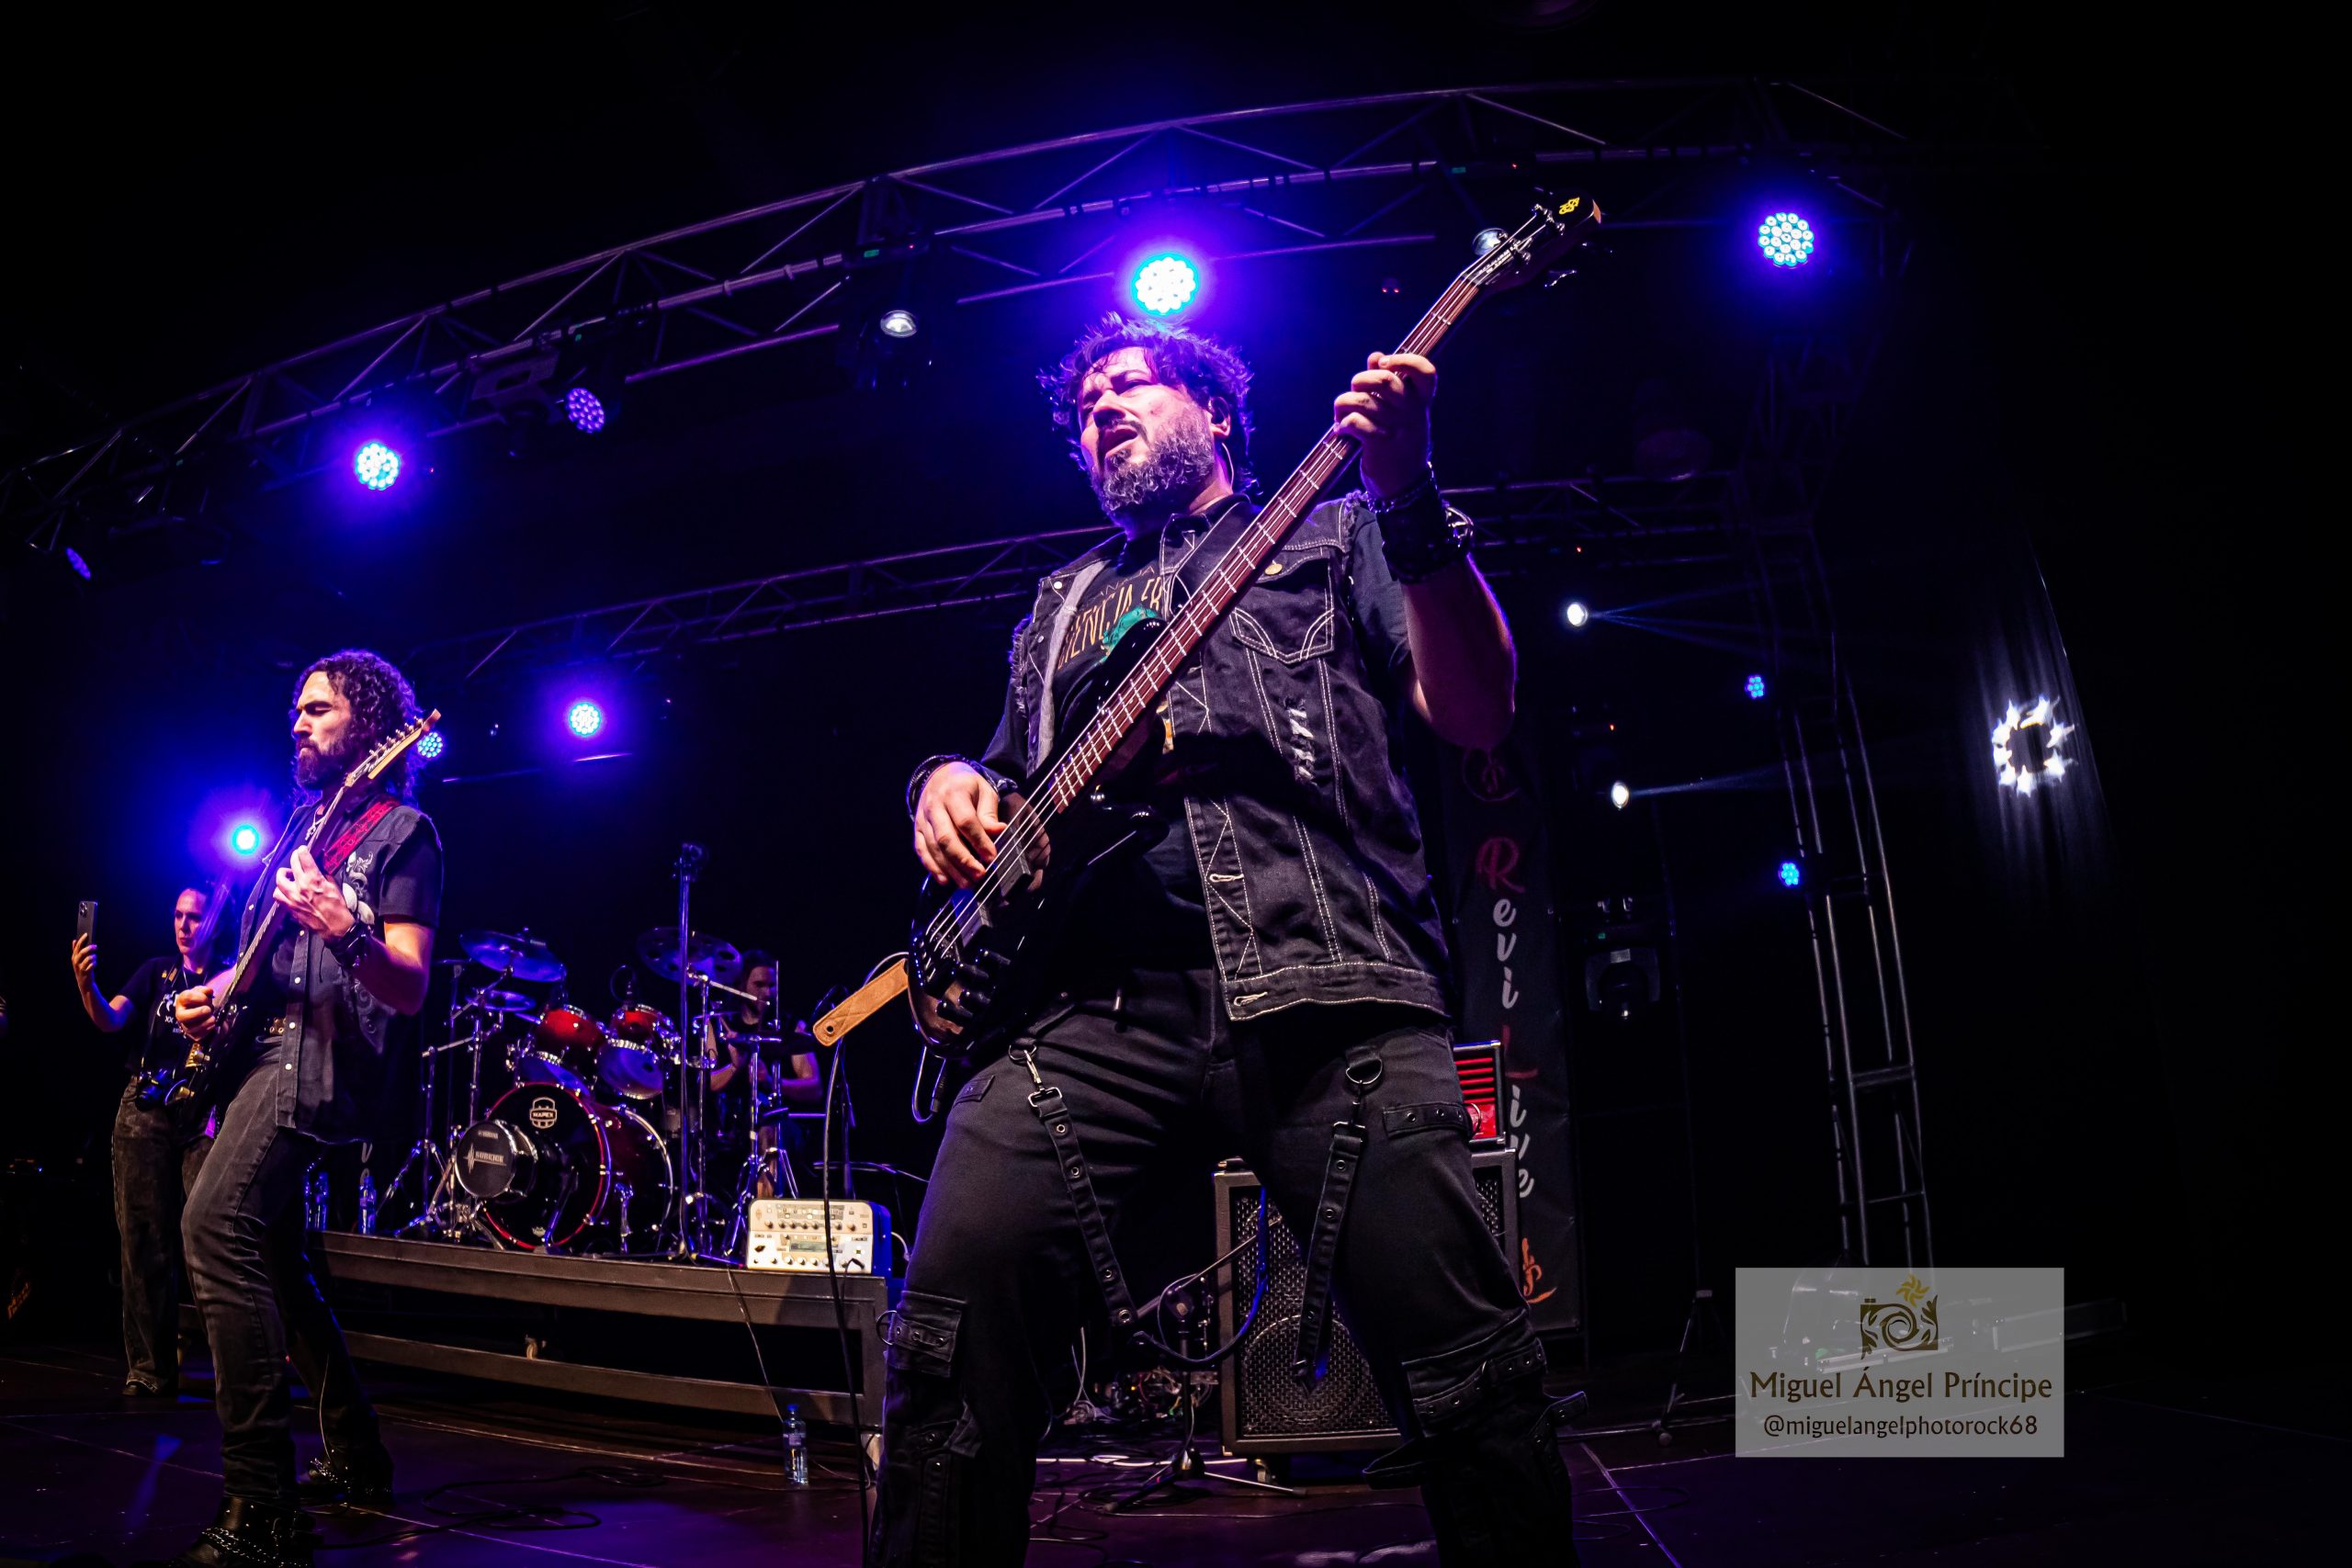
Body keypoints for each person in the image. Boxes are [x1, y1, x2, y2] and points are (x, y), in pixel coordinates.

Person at [876, 316, 1575, 1565]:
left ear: (1216, 412)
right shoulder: (1061, 601)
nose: (1103, 407)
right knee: (945, 1349)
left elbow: (1476, 711)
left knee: (1468, 1371)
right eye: (1085, 401)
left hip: (1333, 982)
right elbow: (1012, 778)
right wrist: (943, 779)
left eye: (1132, 383)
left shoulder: (1338, 530)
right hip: (1086, 1009)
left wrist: (1408, 491)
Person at [171, 649, 442, 1567]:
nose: (299, 722)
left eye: (319, 708)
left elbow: (408, 986)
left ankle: (263, 1505)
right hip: (257, 1050)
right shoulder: (303, 827)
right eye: (296, 709)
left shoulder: (404, 833)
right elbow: (264, 964)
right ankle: (357, 1452)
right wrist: (210, 993)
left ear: (367, 723)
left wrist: (343, 922)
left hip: (315, 1063)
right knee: (277, 1262)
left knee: (215, 1227)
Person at [71, 881, 228, 1397]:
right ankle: (149, 1370)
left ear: (214, 921)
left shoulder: (232, 974)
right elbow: (111, 1019)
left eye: (194, 917)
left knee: (207, 1236)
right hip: (145, 1110)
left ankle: (233, 1372)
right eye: (178, 915)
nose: (184, 925)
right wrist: (87, 986)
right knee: (142, 1241)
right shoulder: (155, 971)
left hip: (203, 1112)